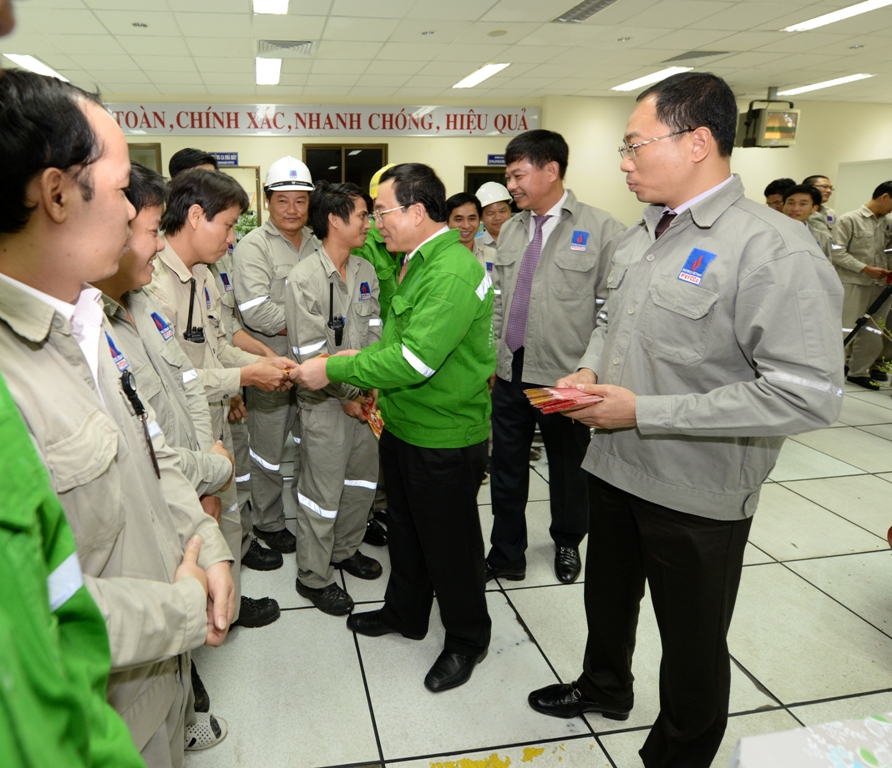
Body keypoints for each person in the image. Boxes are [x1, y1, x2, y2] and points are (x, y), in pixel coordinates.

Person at [526, 71, 844, 768]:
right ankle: (605, 685)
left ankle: (677, 754)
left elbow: (808, 393)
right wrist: (587, 368)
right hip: (615, 465)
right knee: (607, 603)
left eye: (635, 145)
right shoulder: (646, 234)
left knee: (693, 643)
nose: (624, 161)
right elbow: (612, 322)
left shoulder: (773, 248)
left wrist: (646, 410)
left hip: (695, 491)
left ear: (697, 141)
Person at [0, 69, 237, 768]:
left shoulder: (88, 324)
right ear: (56, 194)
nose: (142, 215)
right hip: (87, 720)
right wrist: (183, 610)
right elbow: (32, 621)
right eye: (120, 187)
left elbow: (150, 450)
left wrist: (206, 541)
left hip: (156, 682)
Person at [291, 163, 495, 693]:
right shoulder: (415, 262)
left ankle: (467, 638)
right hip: (406, 425)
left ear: (417, 211)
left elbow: (414, 361)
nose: (377, 222)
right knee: (407, 533)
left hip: (444, 436)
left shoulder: (450, 271)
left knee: (450, 546)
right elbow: (392, 340)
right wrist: (364, 359)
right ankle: (406, 613)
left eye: (383, 211)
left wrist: (334, 367)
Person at [148, 169, 295, 629]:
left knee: (226, 513)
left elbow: (214, 347)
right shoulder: (153, 283)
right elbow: (177, 378)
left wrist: (257, 368)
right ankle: (192, 634)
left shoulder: (205, 275)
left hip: (213, 423)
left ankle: (225, 604)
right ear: (195, 216)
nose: (232, 238)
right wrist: (245, 375)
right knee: (185, 537)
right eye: (228, 225)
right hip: (178, 435)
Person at [489, 129, 625, 585]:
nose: (511, 186)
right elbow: (497, 300)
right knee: (506, 467)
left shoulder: (602, 228)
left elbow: (612, 310)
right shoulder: (509, 229)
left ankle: (568, 541)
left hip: (564, 378)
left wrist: (589, 371)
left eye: (518, 175)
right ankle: (507, 552)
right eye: (509, 176)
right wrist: (492, 358)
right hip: (510, 371)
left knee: (569, 469)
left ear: (551, 170)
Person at [285, 182, 383, 615]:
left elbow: (376, 331)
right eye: (362, 215)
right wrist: (347, 394)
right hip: (325, 405)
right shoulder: (303, 278)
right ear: (335, 220)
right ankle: (313, 575)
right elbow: (309, 353)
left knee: (361, 484)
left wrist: (372, 387)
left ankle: (345, 550)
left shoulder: (365, 270)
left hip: (364, 402)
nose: (369, 222)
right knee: (320, 494)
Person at [232, 156, 319, 555]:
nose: (292, 210)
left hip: (315, 371)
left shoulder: (318, 244)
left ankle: (307, 514)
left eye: (300, 201)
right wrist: (312, 326)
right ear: (268, 202)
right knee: (267, 451)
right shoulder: (253, 247)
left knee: (310, 445)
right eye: (283, 200)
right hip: (272, 366)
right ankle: (268, 521)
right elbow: (257, 312)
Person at [350, 163, 402, 548]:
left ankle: (381, 505)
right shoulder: (366, 246)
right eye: (373, 213)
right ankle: (367, 511)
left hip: (395, 352)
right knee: (370, 439)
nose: (375, 222)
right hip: (374, 351)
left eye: (382, 213)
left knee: (383, 438)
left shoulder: (410, 251)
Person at [831, 181, 892, 389]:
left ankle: (859, 371)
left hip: (880, 286)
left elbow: (887, 251)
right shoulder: (849, 220)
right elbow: (837, 252)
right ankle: (833, 369)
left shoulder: (887, 223)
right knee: (845, 328)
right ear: (884, 197)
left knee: (874, 332)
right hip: (854, 282)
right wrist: (864, 268)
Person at [782, 183, 835, 260]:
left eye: (803, 204)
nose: (795, 208)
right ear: (783, 206)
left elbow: (826, 265)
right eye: (790, 203)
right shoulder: (768, 233)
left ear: (814, 208)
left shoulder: (821, 237)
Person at [446, 191, 495, 272]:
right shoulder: (437, 257)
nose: (466, 225)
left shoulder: (492, 255)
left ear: (480, 220)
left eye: (472, 218)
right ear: (447, 221)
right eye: (458, 219)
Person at [476, 181, 513, 246]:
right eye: (490, 213)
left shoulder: (525, 242)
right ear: (481, 217)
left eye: (502, 211)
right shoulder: (474, 247)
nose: (498, 217)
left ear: (510, 211)